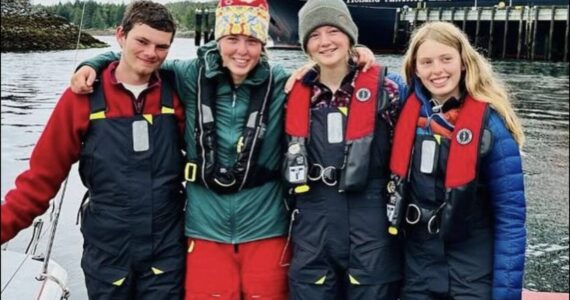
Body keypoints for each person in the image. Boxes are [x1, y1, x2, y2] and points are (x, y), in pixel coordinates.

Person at [69, 1, 377, 299]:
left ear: (263, 44)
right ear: (218, 40)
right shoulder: (187, 75)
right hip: (204, 230)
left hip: (266, 228)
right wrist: (91, 63)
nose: (242, 51)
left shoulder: (283, 81)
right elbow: (136, 60)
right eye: (232, 39)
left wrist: (357, 53)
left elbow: (329, 72)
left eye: (252, 41)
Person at [1, 1, 187, 299]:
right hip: (107, 254)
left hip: (166, 254)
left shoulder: (176, 93)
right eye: (142, 41)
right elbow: (40, 179)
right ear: (121, 35)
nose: (151, 53)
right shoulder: (81, 98)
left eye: (161, 46)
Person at [388, 21, 526, 299]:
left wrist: (506, 294)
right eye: (426, 62)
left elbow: (510, 220)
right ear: (415, 69)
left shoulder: (492, 128)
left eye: (446, 59)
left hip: (471, 275)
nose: (437, 70)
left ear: (464, 62)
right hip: (418, 271)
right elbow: (359, 78)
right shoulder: (403, 110)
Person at [282, 0, 405, 298]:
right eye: (314, 35)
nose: (325, 42)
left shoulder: (389, 89)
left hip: (370, 225)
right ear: (306, 46)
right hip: (313, 226)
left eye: (333, 30)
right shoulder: (292, 94)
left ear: (350, 35)